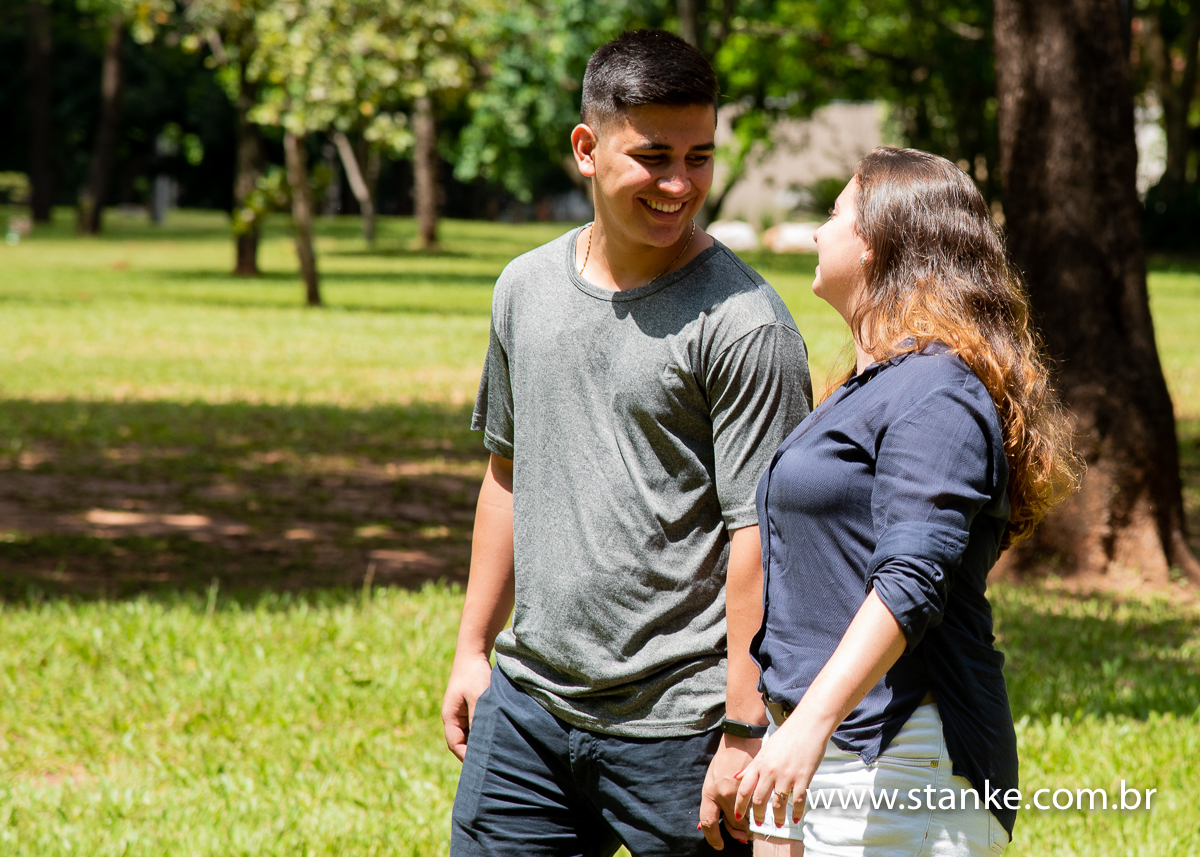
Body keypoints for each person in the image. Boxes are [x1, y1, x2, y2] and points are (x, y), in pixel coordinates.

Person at [441, 29, 813, 857]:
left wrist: (746, 725)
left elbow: (765, 539)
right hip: (530, 709)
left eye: (700, 156)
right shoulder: (524, 289)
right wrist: (472, 650)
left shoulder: (747, 326)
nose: (680, 183)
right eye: (654, 156)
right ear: (587, 147)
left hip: (682, 727)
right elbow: (507, 472)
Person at [733, 147, 1081, 856]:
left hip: (897, 763)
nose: (816, 233)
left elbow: (910, 581)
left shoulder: (937, 391)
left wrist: (809, 725)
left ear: (879, 241)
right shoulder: (875, 387)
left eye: (834, 214)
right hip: (814, 749)